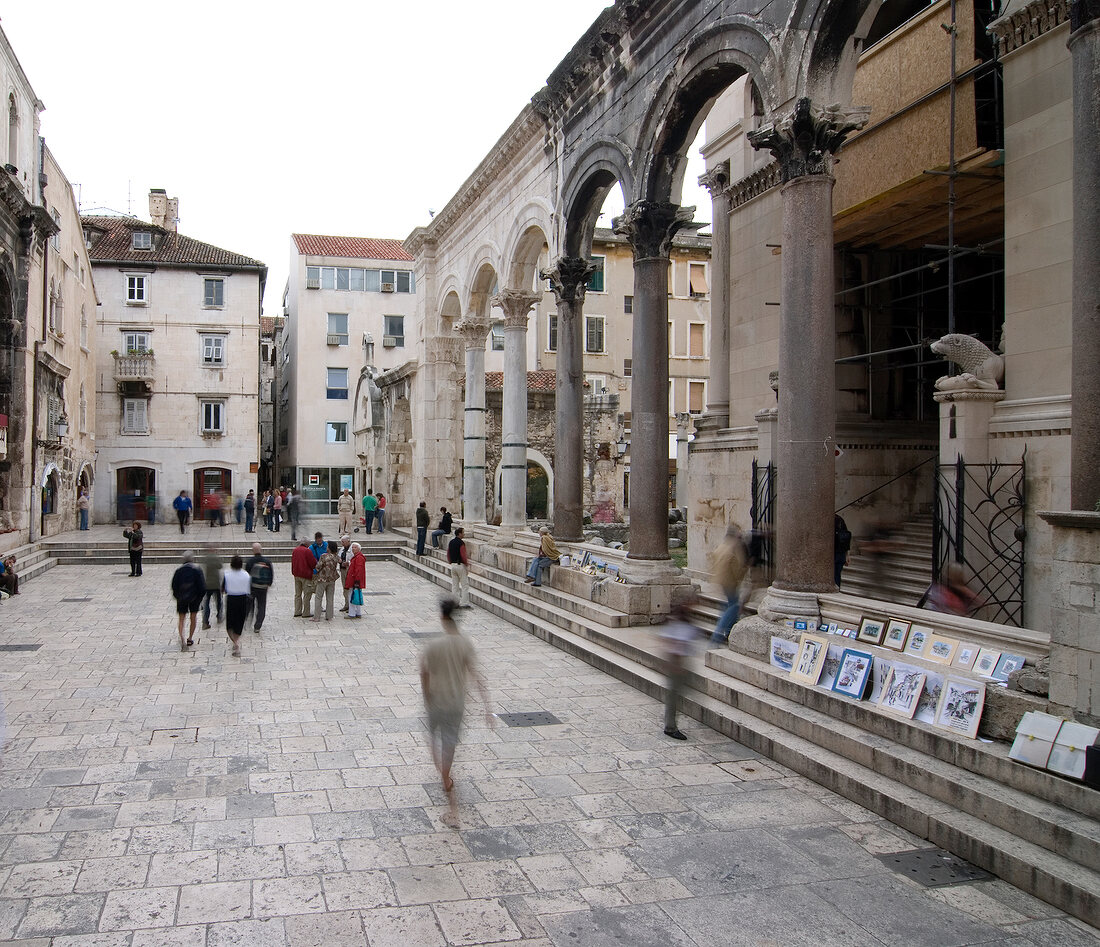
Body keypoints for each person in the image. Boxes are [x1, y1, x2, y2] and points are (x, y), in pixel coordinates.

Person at [419, 597, 491, 819]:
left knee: (433, 742)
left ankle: (448, 789)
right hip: (456, 704)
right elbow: (476, 676)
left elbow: (424, 673)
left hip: (436, 701)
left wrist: (426, 696)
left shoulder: (433, 646)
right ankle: (446, 777)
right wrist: (487, 707)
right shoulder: (465, 644)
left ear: (442, 617)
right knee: (449, 745)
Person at [659, 599, 699, 740]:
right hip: (677, 663)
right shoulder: (682, 627)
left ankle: (670, 722)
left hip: (677, 663)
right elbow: (674, 645)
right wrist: (676, 665)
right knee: (674, 696)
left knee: (676, 694)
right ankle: (670, 727)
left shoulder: (678, 624)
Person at [710, 525, 748, 646]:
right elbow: (737, 567)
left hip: (721, 580)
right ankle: (717, 635)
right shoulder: (733, 548)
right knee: (735, 606)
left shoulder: (722, 546)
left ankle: (728, 631)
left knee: (727, 605)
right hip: (730, 581)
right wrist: (742, 574)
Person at [171, 551, 205, 652]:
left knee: (181, 619)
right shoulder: (197, 570)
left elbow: (174, 585)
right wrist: (199, 598)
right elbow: (202, 586)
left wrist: (177, 596)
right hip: (194, 598)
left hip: (182, 598)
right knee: (193, 618)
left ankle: (182, 638)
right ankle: (190, 638)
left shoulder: (179, 571)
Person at [222, 554, 252, 657]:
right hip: (243, 599)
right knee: (239, 622)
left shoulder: (227, 574)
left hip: (231, 599)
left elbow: (223, 589)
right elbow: (249, 588)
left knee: (230, 624)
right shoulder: (246, 575)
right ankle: (236, 641)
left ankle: (235, 643)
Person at [244, 542, 274, 633]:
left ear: (253, 550)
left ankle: (247, 621)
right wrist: (269, 584)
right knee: (261, 606)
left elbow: (246, 575)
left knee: (249, 605)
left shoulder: (250, 561)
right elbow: (271, 574)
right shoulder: (267, 561)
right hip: (263, 587)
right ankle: (258, 625)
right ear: (260, 550)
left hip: (252, 587)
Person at [312, 541, 340, 622]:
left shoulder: (324, 556)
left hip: (322, 579)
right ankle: (329, 616)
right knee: (330, 598)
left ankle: (316, 617)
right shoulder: (336, 557)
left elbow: (318, 566)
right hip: (332, 579)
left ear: (329, 548)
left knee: (318, 597)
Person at [291, 540, 317, 618]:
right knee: (307, 594)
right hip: (306, 575)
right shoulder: (307, 551)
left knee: (297, 594)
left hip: (296, 574)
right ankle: (306, 612)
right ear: (306, 544)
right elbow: (313, 563)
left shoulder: (295, 550)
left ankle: (297, 611)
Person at [201, 544, 223, 630]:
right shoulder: (215, 557)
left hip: (207, 584)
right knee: (218, 601)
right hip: (216, 583)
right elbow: (220, 566)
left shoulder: (206, 558)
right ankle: (219, 616)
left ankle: (205, 621)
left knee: (206, 603)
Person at [447, 527, 471, 608]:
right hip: (460, 565)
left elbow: (448, 553)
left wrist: (450, 562)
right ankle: (464, 603)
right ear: (459, 534)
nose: (464, 534)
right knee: (465, 585)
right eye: (463, 532)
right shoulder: (461, 543)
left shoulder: (451, 542)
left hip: (453, 565)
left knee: (455, 585)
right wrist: (466, 564)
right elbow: (463, 555)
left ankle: (455, 602)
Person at [344, 541, 366, 619]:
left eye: (355, 547)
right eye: (352, 547)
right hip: (355, 580)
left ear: (359, 549)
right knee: (356, 596)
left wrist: (356, 581)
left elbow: (358, 570)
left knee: (352, 596)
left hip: (354, 581)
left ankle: (352, 613)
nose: (353, 549)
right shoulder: (357, 557)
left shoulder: (359, 558)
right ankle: (358, 612)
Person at [834, 514, 852, 586]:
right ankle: (837, 589)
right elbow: (846, 538)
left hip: (834, 553)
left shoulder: (828, 519)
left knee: (835, 575)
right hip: (840, 553)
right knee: (837, 575)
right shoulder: (840, 519)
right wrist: (847, 555)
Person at [337, 535, 353, 611]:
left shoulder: (353, 549)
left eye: (343, 542)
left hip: (349, 570)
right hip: (343, 570)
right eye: (341, 542)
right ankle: (346, 604)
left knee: (350, 588)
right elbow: (338, 556)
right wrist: (339, 560)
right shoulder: (342, 549)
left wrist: (348, 563)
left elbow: (354, 560)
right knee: (345, 587)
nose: (342, 544)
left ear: (348, 541)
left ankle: (351, 605)